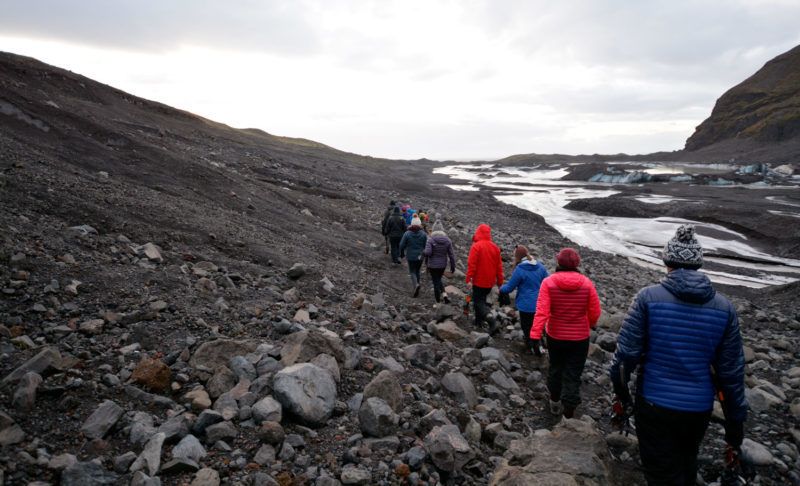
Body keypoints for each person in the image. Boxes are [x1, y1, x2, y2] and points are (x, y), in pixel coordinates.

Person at [609, 225, 746, 486]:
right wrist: (735, 427)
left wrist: (622, 395)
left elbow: (626, 356)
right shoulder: (724, 307)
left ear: (667, 261)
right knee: (687, 460)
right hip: (698, 407)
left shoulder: (648, 298)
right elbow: (731, 372)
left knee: (660, 471)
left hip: (654, 402)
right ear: (698, 263)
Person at [530, 247, 601, 419]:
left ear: (559, 262)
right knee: (573, 373)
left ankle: (554, 402)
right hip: (580, 337)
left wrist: (535, 334)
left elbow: (542, 311)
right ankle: (569, 409)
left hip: (556, 335)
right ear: (577, 263)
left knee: (556, 368)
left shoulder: (549, 282)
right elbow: (595, 311)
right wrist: (590, 323)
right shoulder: (586, 283)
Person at [500, 245, 549, 353]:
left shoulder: (520, 269)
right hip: (540, 303)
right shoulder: (540, 266)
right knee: (537, 325)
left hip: (526, 305)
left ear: (518, 257)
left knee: (527, 326)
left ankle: (531, 346)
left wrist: (501, 289)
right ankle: (540, 343)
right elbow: (549, 282)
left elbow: (510, 288)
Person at [465, 224, 504, 334]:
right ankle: (478, 322)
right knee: (481, 300)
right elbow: (499, 268)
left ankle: (491, 321)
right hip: (490, 282)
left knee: (478, 302)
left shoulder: (476, 247)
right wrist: (500, 282)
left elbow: (472, 265)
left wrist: (468, 279)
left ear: (478, 233)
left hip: (479, 280)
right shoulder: (495, 248)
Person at [423, 220, 456, 303]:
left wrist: (424, 253)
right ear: (442, 230)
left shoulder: (430, 240)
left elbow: (428, 252)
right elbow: (451, 255)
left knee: (436, 282)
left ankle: (438, 302)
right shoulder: (447, 240)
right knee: (438, 279)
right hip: (442, 265)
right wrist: (453, 266)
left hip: (433, 265)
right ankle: (444, 296)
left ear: (433, 229)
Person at [399, 216, 428, 297]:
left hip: (411, 255)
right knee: (417, 271)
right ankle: (417, 287)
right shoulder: (423, 234)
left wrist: (402, 253)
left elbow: (401, 245)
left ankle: (416, 285)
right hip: (420, 256)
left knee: (412, 271)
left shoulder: (407, 233)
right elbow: (427, 246)